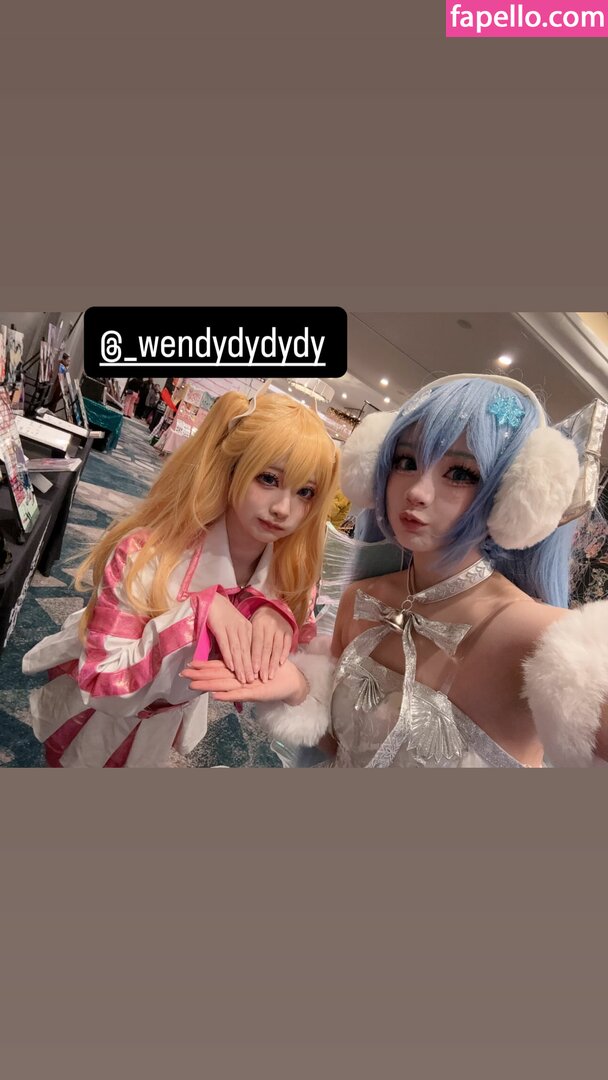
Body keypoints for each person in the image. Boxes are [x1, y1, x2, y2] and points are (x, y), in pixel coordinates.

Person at [182, 374, 608, 768]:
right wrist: (299, 688)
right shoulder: (362, 598)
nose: (418, 491)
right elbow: (338, 748)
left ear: (516, 495)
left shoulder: (553, 645)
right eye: (406, 462)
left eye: (460, 473)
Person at [22, 389, 339, 767]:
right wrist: (196, 615)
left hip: (166, 718)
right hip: (97, 713)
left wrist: (298, 680)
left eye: (305, 492)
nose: (284, 508)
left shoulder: (293, 582)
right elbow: (103, 681)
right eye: (268, 478)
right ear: (231, 468)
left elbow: (302, 668)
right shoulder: (147, 554)